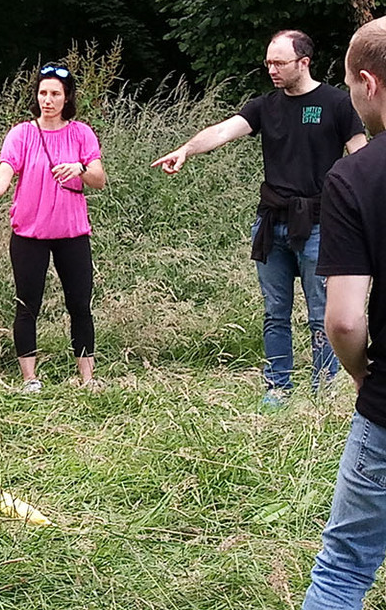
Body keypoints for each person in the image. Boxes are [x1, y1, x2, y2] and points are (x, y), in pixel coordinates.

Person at [240, 16, 386, 610]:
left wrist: (362, 377)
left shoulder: (357, 178)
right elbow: (232, 125)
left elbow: (341, 322)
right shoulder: (278, 117)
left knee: (341, 573)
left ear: (361, 84)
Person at [153, 30, 365, 407]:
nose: (272, 69)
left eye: (280, 63)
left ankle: (324, 392)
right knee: (275, 313)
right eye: (268, 62)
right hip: (272, 224)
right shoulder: (264, 106)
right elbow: (222, 131)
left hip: (319, 224)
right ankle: (277, 389)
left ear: (304, 62)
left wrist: (361, 208)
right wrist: (187, 149)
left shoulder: (336, 103)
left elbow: (360, 156)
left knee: (322, 314)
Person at [0, 64, 106, 390]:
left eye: (55, 93)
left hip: (73, 235)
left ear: (67, 97)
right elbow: (2, 179)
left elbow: (99, 179)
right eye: (43, 93)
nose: (48, 99)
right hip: (29, 235)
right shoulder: (21, 134)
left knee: (80, 306)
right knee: (28, 306)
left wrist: (80, 168)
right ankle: (30, 379)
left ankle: (87, 379)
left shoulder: (81, 133)